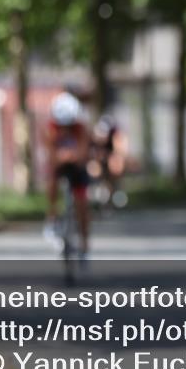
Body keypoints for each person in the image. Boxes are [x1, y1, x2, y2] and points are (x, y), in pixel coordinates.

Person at [44, 91, 91, 259]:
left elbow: (82, 154)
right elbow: (51, 156)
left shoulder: (81, 128)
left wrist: (71, 156)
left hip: (77, 168)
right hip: (59, 167)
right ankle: (52, 218)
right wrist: (62, 157)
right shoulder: (51, 129)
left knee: (83, 203)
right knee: (51, 182)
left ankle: (85, 244)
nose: (65, 128)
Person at [87, 114, 129, 210]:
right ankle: (97, 190)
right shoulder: (94, 137)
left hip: (112, 154)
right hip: (101, 157)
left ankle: (116, 190)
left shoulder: (117, 136)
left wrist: (114, 159)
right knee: (93, 168)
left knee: (115, 165)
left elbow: (121, 152)